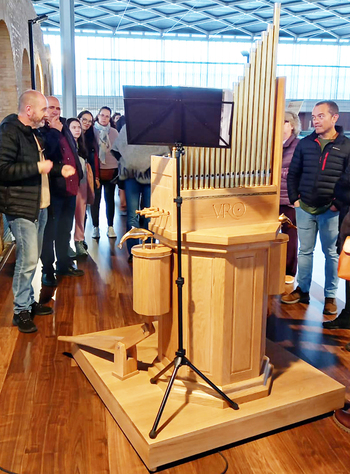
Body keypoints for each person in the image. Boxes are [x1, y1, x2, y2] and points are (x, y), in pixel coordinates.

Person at [0, 90, 75, 333]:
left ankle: (28, 302)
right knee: (28, 260)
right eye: (43, 109)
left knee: (30, 260)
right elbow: (4, 170)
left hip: (39, 205)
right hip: (20, 206)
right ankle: (20, 310)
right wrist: (37, 167)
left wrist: (57, 170)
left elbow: (42, 165)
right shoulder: (9, 131)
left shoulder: (33, 133)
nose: (47, 114)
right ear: (29, 110)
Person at [282, 101, 350, 316]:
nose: (315, 120)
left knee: (330, 253)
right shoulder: (305, 143)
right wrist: (295, 200)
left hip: (330, 211)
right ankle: (302, 290)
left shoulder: (346, 146)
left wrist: (337, 204)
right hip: (304, 208)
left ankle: (330, 296)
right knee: (305, 251)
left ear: (334, 118)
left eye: (320, 116)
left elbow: (349, 180)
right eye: (313, 116)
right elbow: (293, 173)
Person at [40, 96, 84, 287]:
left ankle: (64, 265)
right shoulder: (41, 131)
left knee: (65, 230)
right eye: (51, 108)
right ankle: (47, 271)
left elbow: (72, 151)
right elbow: (50, 154)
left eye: (58, 107)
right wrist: (55, 133)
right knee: (49, 232)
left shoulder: (64, 125)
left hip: (70, 188)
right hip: (54, 189)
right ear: (43, 109)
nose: (56, 111)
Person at [113, 116, 169, 260]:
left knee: (148, 214)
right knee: (133, 215)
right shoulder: (128, 128)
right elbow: (116, 148)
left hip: (151, 177)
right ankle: (133, 252)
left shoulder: (157, 129)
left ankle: (148, 247)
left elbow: (164, 152)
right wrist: (129, 162)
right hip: (131, 177)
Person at [91, 106, 119, 238]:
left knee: (110, 199)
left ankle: (110, 226)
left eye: (107, 116)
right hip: (96, 171)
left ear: (110, 118)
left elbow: (118, 150)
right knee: (95, 200)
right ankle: (95, 227)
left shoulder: (114, 132)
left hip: (111, 170)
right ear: (98, 115)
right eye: (102, 115)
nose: (104, 118)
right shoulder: (91, 131)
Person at [280, 111, 300, 284]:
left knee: (290, 235)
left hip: (288, 198)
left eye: (283, 121)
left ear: (292, 125)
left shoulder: (298, 146)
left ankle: (289, 271)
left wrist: (275, 175)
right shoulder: (272, 145)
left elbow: (296, 173)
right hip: (271, 198)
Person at [67, 118, 89, 257]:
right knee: (68, 215)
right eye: (73, 127)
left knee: (81, 214)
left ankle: (79, 241)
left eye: (78, 127)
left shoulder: (81, 146)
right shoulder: (64, 145)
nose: (77, 130)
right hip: (68, 184)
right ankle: (66, 244)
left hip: (82, 183)